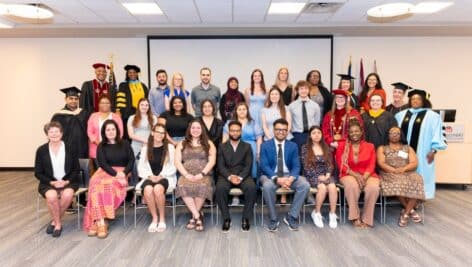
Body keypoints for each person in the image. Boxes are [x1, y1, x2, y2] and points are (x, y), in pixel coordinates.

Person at [83, 119, 135, 238]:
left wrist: (124, 173)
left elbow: (131, 160)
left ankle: (100, 221)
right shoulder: (101, 145)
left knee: (107, 186)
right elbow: (102, 163)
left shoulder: (125, 143)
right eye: (108, 130)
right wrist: (115, 174)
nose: (111, 132)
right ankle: (101, 221)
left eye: (113, 129)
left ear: (117, 131)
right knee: (95, 185)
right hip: (105, 171)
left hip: (122, 172)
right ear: (104, 132)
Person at [395, 89, 447, 199]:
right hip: (403, 153)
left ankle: (419, 199)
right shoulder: (401, 115)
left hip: (423, 153)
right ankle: (406, 199)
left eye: (418, 99)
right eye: (413, 99)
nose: (415, 101)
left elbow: (438, 134)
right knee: (403, 173)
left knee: (422, 175)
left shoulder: (433, 116)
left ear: (423, 101)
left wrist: (434, 150)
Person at [260, 118, 310, 232]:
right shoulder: (265, 145)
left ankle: (291, 216)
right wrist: (277, 179)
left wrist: (290, 179)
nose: (281, 132)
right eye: (278, 129)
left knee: (305, 185)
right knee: (267, 186)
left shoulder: (292, 145)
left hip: (288, 175)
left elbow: (296, 166)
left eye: (284, 130)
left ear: (287, 131)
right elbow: (264, 166)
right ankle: (273, 218)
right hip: (270, 175)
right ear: (274, 130)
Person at [34, 121, 80, 237]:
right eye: (51, 132)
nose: (54, 134)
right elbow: (38, 172)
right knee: (52, 196)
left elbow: (76, 169)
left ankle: (54, 221)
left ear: (61, 133)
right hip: (48, 181)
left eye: (56, 131)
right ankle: (58, 223)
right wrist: (52, 182)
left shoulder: (70, 148)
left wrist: (66, 181)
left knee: (68, 194)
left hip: (68, 180)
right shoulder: (41, 150)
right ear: (47, 134)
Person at [377, 126, 425, 227]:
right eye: (392, 133)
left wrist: (404, 169)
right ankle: (411, 210)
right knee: (399, 181)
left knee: (417, 180)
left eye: (397, 133)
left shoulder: (407, 148)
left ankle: (406, 213)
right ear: (388, 135)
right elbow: (381, 163)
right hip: (389, 173)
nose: (394, 135)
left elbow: (414, 162)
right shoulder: (382, 148)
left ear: (401, 135)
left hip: (406, 171)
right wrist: (394, 170)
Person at [336, 120, 380, 228]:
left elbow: (372, 164)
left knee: (373, 188)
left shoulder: (370, 146)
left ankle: (367, 218)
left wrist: (364, 177)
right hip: (348, 174)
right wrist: (356, 176)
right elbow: (341, 163)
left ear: (361, 132)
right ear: (348, 134)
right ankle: (355, 216)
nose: (354, 134)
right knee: (352, 186)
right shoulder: (342, 146)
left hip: (368, 174)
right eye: (351, 132)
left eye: (356, 131)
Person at [174, 120, 216, 232]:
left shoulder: (209, 143)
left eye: (198, 128)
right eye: (193, 128)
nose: (195, 130)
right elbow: (177, 162)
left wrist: (202, 174)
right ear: (189, 129)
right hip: (186, 174)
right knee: (182, 185)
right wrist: (186, 174)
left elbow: (212, 161)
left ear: (202, 130)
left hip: (203, 174)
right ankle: (197, 216)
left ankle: (193, 217)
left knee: (203, 185)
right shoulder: (182, 143)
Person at [215, 121, 257, 232]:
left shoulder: (247, 146)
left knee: (252, 188)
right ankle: (226, 218)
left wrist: (240, 177)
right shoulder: (222, 146)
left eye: (237, 130)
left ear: (241, 132)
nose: (235, 133)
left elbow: (249, 165)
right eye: (232, 130)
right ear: (229, 131)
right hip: (226, 175)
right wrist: (229, 176)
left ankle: (246, 218)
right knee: (219, 188)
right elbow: (220, 165)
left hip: (243, 175)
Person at [136, 124, 176, 232]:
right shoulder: (145, 148)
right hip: (148, 176)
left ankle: (162, 218)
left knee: (158, 189)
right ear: (152, 133)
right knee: (148, 190)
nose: (160, 135)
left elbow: (173, 166)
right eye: (158, 132)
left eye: (162, 133)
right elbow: (140, 167)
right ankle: (155, 218)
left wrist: (161, 176)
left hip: (165, 176)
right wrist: (150, 176)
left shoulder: (170, 148)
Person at [301, 126, 338, 229]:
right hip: (312, 175)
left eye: (319, 133)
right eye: (314, 133)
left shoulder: (326, 147)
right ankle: (316, 212)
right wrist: (318, 177)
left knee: (332, 187)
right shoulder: (305, 148)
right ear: (310, 135)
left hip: (326, 175)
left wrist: (327, 175)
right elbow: (306, 166)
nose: (316, 135)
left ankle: (332, 214)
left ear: (321, 135)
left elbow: (330, 164)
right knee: (322, 188)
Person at [51, 87, 89, 186]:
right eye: (71, 98)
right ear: (66, 99)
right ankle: (68, 195)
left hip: (82, 148)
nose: (73, 101)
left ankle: (82, 196)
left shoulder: (84, 113)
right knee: (67, 171)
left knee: (82, 171)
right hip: (66, 148)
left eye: (76, 99)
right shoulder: (58, 116)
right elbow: (53, 133)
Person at [223, 102, 263, 180]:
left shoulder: (253, 123)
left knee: (252, 167)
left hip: (251, 148)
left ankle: (252, 183)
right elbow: (224, 139)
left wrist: (258, 152)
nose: (242, 111)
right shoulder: (229, 123)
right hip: (234, 147)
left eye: (244, 109)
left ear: (247, 111)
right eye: (239, 109)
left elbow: (259, 138)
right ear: (236, 111)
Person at [87, 95, 123, 169]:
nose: (105, 105)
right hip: (96, 148)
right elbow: (89, 132)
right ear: (99, 104)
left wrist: (110, 143)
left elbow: (120, 132)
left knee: (112, 172)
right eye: (102, 103)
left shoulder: (116, 117)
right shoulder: (93, 116)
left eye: (107, 103)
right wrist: (98, 142)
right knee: (99, 173)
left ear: (110, 104)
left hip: (113, 149)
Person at [116, 64, 149, 139]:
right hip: (128, 114)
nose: (132, 74)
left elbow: (147, 100)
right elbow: (120, 100)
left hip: (141, 113)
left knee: (140, 133)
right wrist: (119, 111)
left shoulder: (143, 85)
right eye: (130, 72)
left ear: (137, 74)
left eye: (134, 72)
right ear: (127, 74)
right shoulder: (123, 85)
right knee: (128, 135)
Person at [288, 80, 321, 149]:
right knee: (298, 157)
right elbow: (289, 122)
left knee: (310, 157)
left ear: (309, 90)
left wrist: (315, 135)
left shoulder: (315, 106)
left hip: (311, 135)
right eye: (301, 89)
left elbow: (317, 122)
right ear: (297, 91)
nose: (304, 91)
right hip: (297, 135)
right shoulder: (291, 106)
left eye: (306, 88)